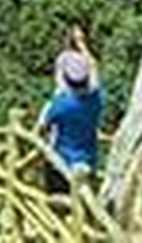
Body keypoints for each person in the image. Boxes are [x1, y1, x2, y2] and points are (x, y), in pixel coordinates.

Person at [39, 25, 104, 195]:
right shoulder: (96, 99)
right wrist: (82, 44)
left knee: (59, 205)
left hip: (62, 163)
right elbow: (94, 68)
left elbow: (42, 127)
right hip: (89, 160)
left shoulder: (60, 105)